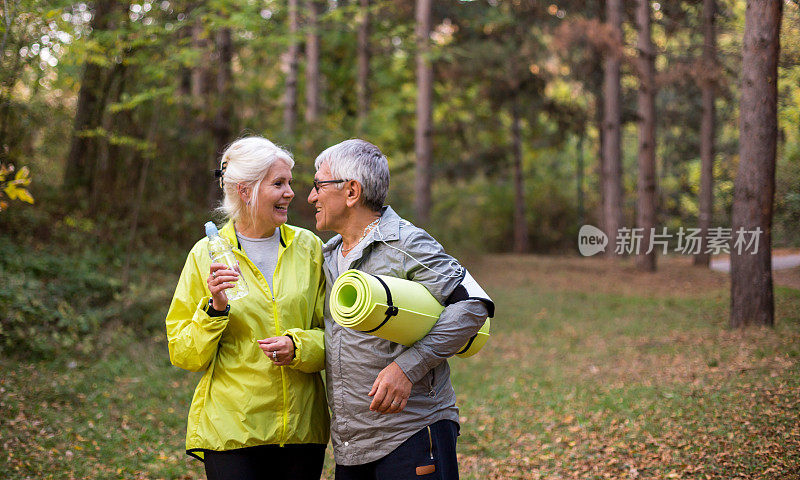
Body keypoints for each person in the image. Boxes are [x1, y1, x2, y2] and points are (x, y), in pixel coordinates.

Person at [307, 139, 494, 479]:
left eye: (319, 185)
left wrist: (407, 368)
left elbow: (473, 303)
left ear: (351, 191)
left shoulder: (406, 243)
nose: (311, 197)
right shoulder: (327, 256)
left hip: (411, 434)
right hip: (351, 446)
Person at [165, 136, 329, 480]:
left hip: (299, 428)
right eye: (278, 183)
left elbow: (337, 335)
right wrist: (215, 308)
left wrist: (299, 347)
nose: (291, 193)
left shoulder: (310, 248)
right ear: (245, 190)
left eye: (290, 183)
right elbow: (183, 353)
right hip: (232, 429)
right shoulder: (205, 254)